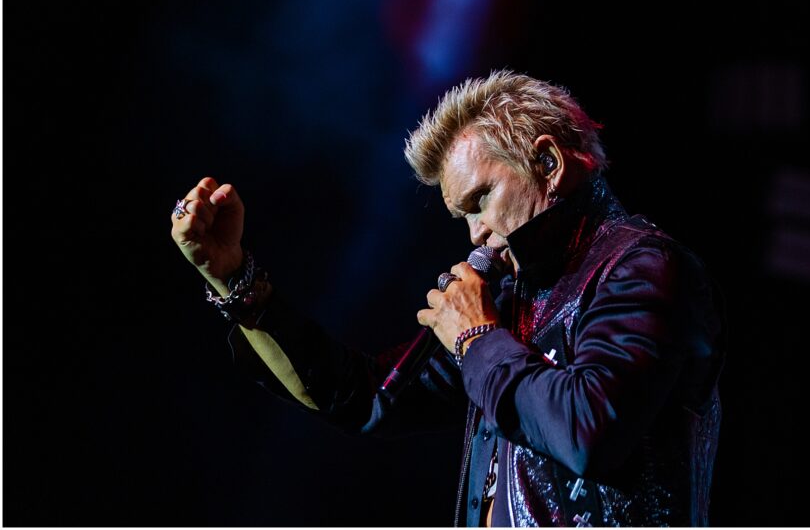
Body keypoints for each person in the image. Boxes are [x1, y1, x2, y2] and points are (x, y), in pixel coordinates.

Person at [170, 70, 726, 526]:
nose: (475, 235)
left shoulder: (642, 268)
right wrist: (236, 280)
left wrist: (476, 337)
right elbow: (366, 397)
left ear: (549, 164)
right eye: (462, 217)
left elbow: (589, 431)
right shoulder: (509, 305)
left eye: (481, 200)